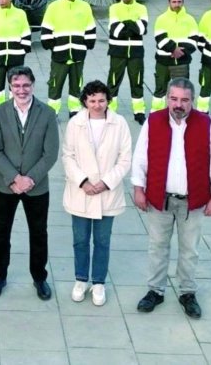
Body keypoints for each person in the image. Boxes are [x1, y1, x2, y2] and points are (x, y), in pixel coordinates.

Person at [132, 78, 211, 320]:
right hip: (159, 199)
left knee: (189, 250)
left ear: (192, 101)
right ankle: (155, 290)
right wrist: (138, 188)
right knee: (157, 247)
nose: (178, 104)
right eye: (174, 99)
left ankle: (187, 292)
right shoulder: (153, 122)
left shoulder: (207, 125)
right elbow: (140, 158)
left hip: (192, 201)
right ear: (167, 99)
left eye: (184, 100)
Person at [0, 66, 60, 300]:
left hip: (36, 187)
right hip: (6, 185)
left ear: (33, 85)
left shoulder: (47, 113)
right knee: (1, 233)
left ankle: (39, 278)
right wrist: (14, 178)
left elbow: (50, 153)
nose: (21, 89)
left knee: (39, 233)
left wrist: (30, 179)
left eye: (26, 85)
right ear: (10, 86)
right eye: (16, 85)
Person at [62, 81, 132, 307]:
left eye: (101, 100)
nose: (97, 105)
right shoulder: (75, 123)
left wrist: (105, 182)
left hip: (106, 193)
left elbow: (124, 159)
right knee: (80, 240)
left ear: (108, 100)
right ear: (85, 101)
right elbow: (68, 156)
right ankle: (81, 279)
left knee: (102, 240)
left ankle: (99, 281)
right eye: (92, 100)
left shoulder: (119, 123)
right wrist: (82, 182)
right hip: (81, 192)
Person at [41, 0, 97, 116]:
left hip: (78, 55)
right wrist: (51, 46)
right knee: (55, 85)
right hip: (60, 55)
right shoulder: (54, 7)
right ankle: (52, 112)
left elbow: (90, 28)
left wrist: (88, 45)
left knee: (76, 85)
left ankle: (75, 111)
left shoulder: (85, 7)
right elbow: (46, 28)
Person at [107, 0, 149, 123]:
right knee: (113, 82)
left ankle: (139, 112)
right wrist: (133, 24)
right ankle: (111, 111)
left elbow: (142, 29)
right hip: (117, 52)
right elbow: (115, 30)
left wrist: (124, 23)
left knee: (137, 82)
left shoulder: (142, 8)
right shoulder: (114, 8)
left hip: (136, 53)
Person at [152, 0, 198, 111]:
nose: (177, 4)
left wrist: (180, 52)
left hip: (182, 62)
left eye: (179, 2)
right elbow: (160, 39)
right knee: (160, 90)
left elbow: (193, 41)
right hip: (163, 62)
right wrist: (174, 49)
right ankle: (157, 114)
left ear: (183, 2)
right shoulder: (161, 19)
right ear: (169, 2)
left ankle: (181, 115)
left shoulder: (190, 20)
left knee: (182, 92)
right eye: (174, 2)